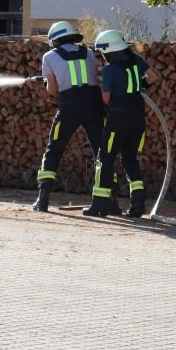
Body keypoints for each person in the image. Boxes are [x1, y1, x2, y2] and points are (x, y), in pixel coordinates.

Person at [84, 29, 159, 218]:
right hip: (138, 119)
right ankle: (138, 206)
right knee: (130, 160)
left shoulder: (109, 70)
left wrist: (103, 85)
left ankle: (99, 205)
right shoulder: (136, 60)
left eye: (103, 52)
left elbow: (107, 99)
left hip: (118, 120)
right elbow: (154, 76)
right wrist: (139, 85)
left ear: (109, 50)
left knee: (105, 159)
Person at [33, 21, 105, 212]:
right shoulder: (88, 53)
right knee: (102, 151)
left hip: (69, 105)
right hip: (93, 104)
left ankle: (43, 200)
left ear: (55, 39)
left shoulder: (49, 56)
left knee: (54, 149)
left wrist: (48, 82)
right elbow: (93, 77)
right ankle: (107, 201)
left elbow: (53, 90)